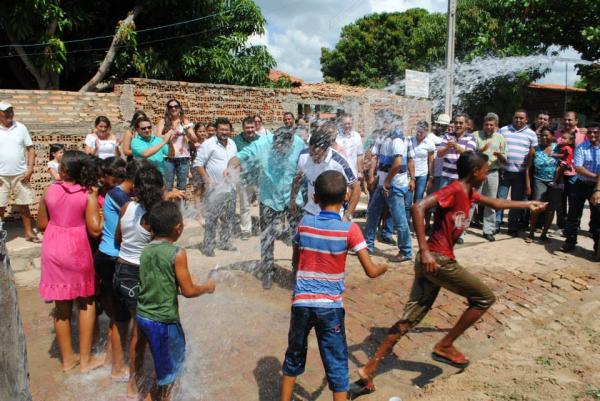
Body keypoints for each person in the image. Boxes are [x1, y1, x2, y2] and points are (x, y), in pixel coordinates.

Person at [351, 151, 546, 397]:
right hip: (438, 260)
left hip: (431, 263)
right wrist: (424, 251)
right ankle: (444, 345)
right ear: (476, 172)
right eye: (486, 170)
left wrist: (527, 204)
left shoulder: (469, 192)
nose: (487, 174)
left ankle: (369, 369)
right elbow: (418, 207)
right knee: (484, 298)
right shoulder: (454, 189)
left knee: (409, 320)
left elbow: (496, 203)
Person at [280, 171, 388, 401]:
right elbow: (370, 271)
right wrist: (384, 267)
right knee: (336, 361)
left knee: (294, 356)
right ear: (347, 196)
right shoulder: (350, 230)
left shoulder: (305, 224)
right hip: (329, 308)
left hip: (301, 304)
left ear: (314, 197)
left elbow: (296, 260)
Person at [113, 163, 182, 399]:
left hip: (121, 269)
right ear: (160, 187)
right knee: (140, 332)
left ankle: (134, 374)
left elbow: (118, 238)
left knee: (137, 327)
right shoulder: (154, 216)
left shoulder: (126, 207)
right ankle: (138, 381)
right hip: (137, 274)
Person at [136, 201, 216, 401]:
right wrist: (206, 287)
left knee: (164, 364)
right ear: (178, 228)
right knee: (171, 373)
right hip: (163, 321)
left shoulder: (146, 250)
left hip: (143, 316)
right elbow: (188, 291)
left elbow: (156, 282)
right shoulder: (177, 253)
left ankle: (156, 393)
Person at [37, 150, 104, 373]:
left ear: (64, 171)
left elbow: (42, 225)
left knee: (61, 306)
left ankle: (67, 360)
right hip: (76, 248)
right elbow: (95, 229)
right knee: (86, 302)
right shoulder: (87, 195)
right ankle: (85, 361)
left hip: (53, 246)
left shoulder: (50, 190)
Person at [227, 126, 306, 289]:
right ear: (274, 142)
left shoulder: (299, 144)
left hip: (293, 197)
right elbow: (241, 156)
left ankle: (297, 269)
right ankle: (267, 270)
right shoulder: (263, 143)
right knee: (267, 236)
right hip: (269, 198)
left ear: (291, 143)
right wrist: (229, 168)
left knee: (298, 236)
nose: (281, 150)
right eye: (278, 146)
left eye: (285, 147)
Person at [94, 158, 136, 380]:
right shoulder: (122, 198)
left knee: (117, 316)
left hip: (106, 256)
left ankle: (111, 359)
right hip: (112, 259)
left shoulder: (119, 194)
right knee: (122, 317)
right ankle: (118, 369)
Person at [363, 123, 414, 262]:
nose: (384, 124)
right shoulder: (382, 137)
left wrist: (387, 182)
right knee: (372, 213)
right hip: (382, 183)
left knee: (399, 219)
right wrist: (372, 176)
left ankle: (406, 251)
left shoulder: (397, 140)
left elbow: (398, 164)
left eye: (386, 122)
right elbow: (374, 157)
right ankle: (367, 245)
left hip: (394, 185)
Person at [290, 122, 360, 220]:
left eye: (317, 154)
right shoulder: (304, 156)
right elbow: (297, 179)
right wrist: (292, 200)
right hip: (311, 211)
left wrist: (348, 215)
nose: (313, 157)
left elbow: (356, 187)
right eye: (311, 153)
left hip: (334, 214)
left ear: (326, 149)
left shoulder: (339, 163)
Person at [194, 117, 238, 256]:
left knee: (229, 217)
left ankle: (225, 242)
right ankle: (208, 246)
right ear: (216, 130)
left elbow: (236, 161)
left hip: (230, 187)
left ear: (230, 131)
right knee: (212, 217)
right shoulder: (208, 144)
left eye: (227, 129)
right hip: (214, 189)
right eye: (221, 129)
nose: (224, 132)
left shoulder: (232, 143)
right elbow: (198, 164)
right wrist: (207, 181)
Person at [0, 102, 39, 242]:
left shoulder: (20, 127)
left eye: (11, 111)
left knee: (24, 205)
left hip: (20, 174)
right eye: (6, 112)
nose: (9, 114)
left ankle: (28, 233)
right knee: (0, 206)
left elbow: (31, 148)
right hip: (1, 176)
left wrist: (30, 169)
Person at [437, 113, 478, 244]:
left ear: (467, 125)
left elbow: (469, 155)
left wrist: (455, 146)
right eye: (456, 122)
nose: (458, 125)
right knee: (443, 205)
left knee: (461, 207)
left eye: (461, 123)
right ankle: (442, 230)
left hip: (461, 179)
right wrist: (447, 147)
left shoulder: (471, 138)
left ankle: (460, 233)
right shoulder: (447, 136)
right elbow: (439, 153)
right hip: (446, 176)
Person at [496, 109, 538, 236]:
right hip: (504, 171)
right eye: (516, 117)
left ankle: (512, 226)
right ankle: (496, 224)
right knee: (500, 198)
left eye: (521, 118)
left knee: (516, 200)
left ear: (526, 120)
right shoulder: (503, 130)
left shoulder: (531, 134)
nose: (518, 120)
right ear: (513, 118)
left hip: (520, 173)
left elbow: (534, 152)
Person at [561, 122, 600, 254]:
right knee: (573, 214)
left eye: (596, 132)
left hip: (597, 187)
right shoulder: (581, 147)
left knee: (597, 217)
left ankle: (597, 246)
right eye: (590, 132)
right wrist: (597, 176)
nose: (593, 135)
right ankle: (570, 242)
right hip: (581, 184)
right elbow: (578, 168)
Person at [473, 113, 507, 241]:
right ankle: (462, 231)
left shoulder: (500, 138)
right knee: (471, 201)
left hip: (493, 172)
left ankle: (488, 230)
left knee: (491, 202)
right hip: (477, 172)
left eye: (491, 125)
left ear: (496, 126)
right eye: (486, 124)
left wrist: (499, 156)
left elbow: (505, 159)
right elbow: (470, 154)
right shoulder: (476, 135)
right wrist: (480, 151)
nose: (488, 127)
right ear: (483, 124)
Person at [527, 128, 562, 242]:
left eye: (547, 135)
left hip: (555, 182)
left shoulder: (558, 148)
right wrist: (528, 184)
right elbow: (528, 168)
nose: (544, 138)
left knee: (551, 209)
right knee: (536, 207)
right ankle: (531, 233)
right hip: (539, 181)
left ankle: (544, 234)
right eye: (542, 136)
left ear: (553, 137)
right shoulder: (535, 149)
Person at [156, 99, 197, 192]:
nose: (173, 108)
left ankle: (181, 206)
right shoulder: (163, 121)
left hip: (183, 157)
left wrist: (187, 133)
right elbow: (158, 139)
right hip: (167, 157)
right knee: (167, 187)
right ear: (168, 109)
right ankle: (167, 206)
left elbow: (195, 139)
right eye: (171, 107)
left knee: (182, 187)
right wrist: (169, 135)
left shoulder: (184, 121)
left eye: (176, 106)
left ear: (180, 108)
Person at [553, 111, 585, 231]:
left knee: (575, 201)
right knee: (560, 202)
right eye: (565, 119)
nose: (567, 122)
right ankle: (562, 225)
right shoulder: (556, 134)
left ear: (576, 121)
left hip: (576, 174)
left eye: (570, 120)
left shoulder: (583, 134)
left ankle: (574, 225)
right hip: (561, 173)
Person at [233, 116, 260, 239]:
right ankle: (246, 230)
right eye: (247, 127)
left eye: (252, 127)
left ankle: (264, 228)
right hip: (244, 179)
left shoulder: (260, 140)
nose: (250, 129)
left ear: (256, 127)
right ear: (243, 128)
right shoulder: (236, 141)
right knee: (245, 206)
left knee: (265, 205)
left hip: (260, 178)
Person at [410, 121, 436, 204]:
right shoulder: (410, 140)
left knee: (418, 199)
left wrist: (431, 177)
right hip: (410, 174)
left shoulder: (429, 143)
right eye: (418, 131)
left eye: (421, 132)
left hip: (422, 174)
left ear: (426, 132)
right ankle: (407, 217)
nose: (419, 134)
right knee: (407, 199)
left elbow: (431, 161)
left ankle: (415, 216)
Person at [335, 114, 365, 185]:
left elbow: (359, 155)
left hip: (352, 173)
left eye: (349, 124)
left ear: (352, 123)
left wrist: (360, 171)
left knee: (352, 194)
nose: (347, 126)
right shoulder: (336, 136)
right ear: (341, 124)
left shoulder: (356, 136)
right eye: (345, 124)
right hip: (338, 173)